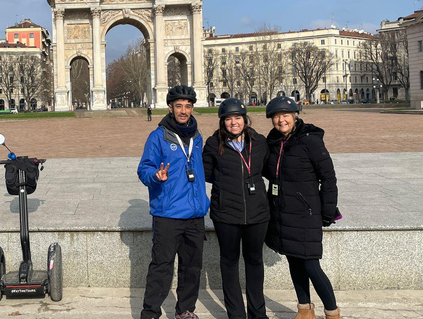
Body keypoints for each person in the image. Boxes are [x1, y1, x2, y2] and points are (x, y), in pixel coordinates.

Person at [263, 96, 341, 319]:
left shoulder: (310, 141)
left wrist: (327, 211)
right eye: (276, 116)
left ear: (295, 115)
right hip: (282, 212)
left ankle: (332, 312)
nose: (281, 120)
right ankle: (305, 309)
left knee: (310, 265)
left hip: (306, 213)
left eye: (285, 115)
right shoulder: (274, 141)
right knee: (294, 262)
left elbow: (328, 178)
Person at [137, 85, 209, 319]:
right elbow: (144, 168)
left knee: (192, 268)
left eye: (188, 106)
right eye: (179, 106)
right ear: (170, 108)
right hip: (168, 214)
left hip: (195, 214)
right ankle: (150, 313)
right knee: (161, 267)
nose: (183, 110)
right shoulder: (157, 137)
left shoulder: (197, 137)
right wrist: (155, 176)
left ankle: (185, 310)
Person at [203, 98, 270, 319]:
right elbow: (205, 173)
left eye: (237, 118)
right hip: (226, 214)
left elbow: (271, 169)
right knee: (229, 263)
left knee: (254, 262)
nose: (233, 123)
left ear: (245, 119)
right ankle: (236, 314)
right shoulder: (214, 144)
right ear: (223, 122)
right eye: (229, 119)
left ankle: (258, 314)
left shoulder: (259, 142)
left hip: (257, 213)